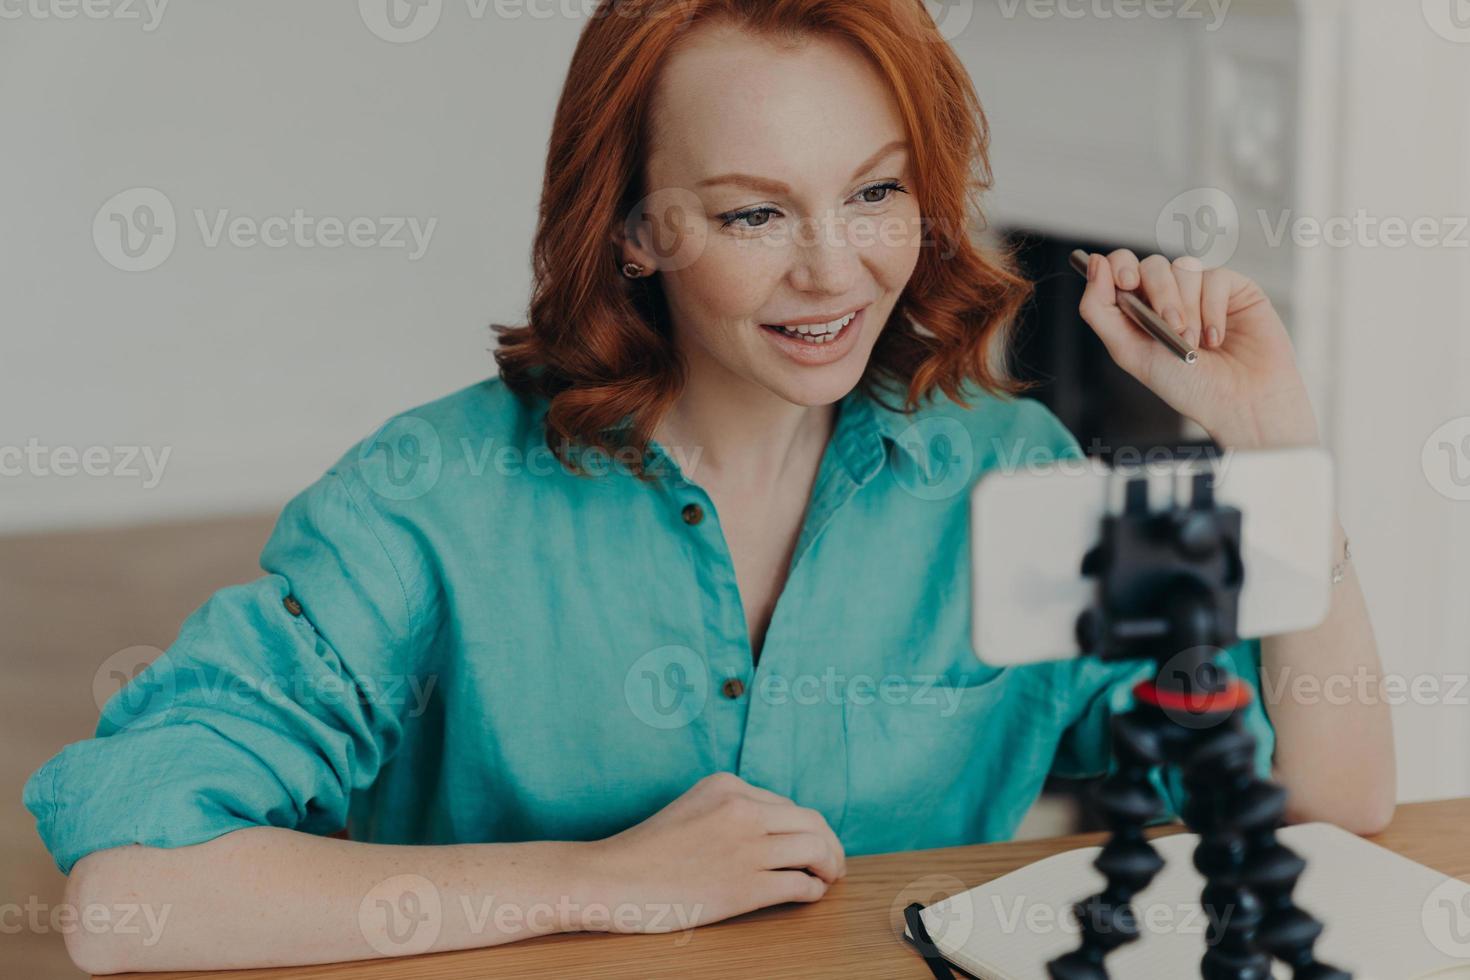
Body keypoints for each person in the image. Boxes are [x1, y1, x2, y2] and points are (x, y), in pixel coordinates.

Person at [27, 0, 1394, 972]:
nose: (834, 269)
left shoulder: (1009, 473)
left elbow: (1324, 812)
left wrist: (1275, 442)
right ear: (632, 230)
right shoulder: (428, 499)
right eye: (751, 213)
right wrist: (599, 886)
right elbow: (129, 903)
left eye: (871, 194)